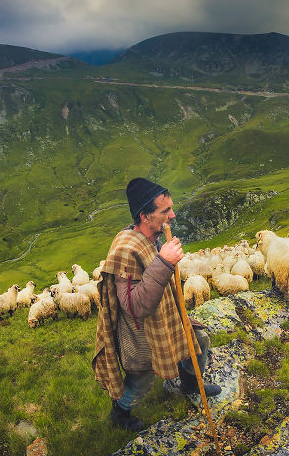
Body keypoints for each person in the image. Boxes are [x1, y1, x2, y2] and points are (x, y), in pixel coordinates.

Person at [92, 177, 221, 431]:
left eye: (171, 208)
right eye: (165, 211)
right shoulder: (125, 250)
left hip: (165, 317)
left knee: (199, 340)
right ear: (145, 216)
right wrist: (163, 263)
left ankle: (189, 384)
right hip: (140, 332)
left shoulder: (152, 238)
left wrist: (163, 258)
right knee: (141, 382)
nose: (172, 215)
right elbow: (135, 306)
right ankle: (121, 411)